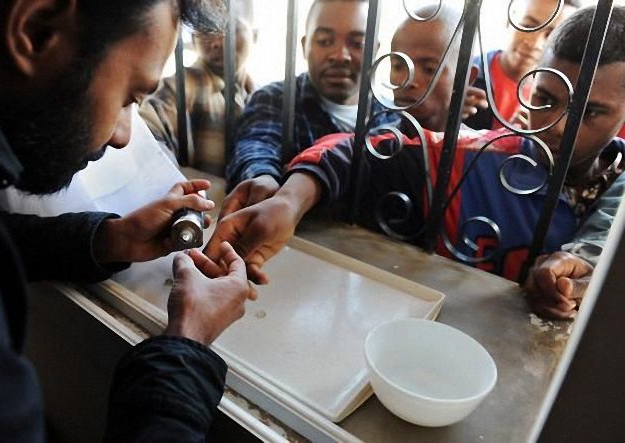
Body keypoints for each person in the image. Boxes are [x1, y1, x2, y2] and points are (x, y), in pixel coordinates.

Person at [0, 0, 257, 441]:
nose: (122, 136)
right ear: (37, 30)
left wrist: (108, 240)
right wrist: (186, 346)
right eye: (128, 98)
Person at [205, 7, 625, 320]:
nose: (559, 126)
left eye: (590, 113)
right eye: (545, 100)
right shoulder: (475, 160)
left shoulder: (614, 195)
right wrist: (289, 199)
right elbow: (358, 151)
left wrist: (581, 274)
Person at [222, 0, 399, 212]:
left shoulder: (393, 118)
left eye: (358, 43)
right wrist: (263, 177)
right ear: (305, 46)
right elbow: (257, 144)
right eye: (325, 41)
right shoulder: (276, 98)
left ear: (375, 50)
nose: (340, 55)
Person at [140, 0, 257, 176]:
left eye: (231, 27)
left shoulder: (262, 97)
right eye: (206, 29)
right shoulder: (181, 86)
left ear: (254, 35)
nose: (217, 41)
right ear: (194, 41)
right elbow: (145, 145)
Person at [463, 0, 579, 130]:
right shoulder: (462, 75)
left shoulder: (562, 99)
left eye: (551, 35)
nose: (534, 43)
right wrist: (445, 114)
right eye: (528, 26)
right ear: (509, 19)